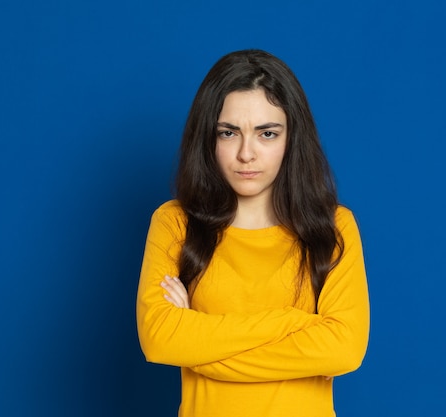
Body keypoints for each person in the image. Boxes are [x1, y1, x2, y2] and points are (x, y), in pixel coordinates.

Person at [136, 49, 370, 417]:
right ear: (208, 138)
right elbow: (160, 340)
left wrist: (199, 346)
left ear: (291, 138)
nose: (247, 153)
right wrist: (291, 322)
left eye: (267, 133)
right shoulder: (174, 223)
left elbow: (344, 349)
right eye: (229, 133)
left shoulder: (333, 227)